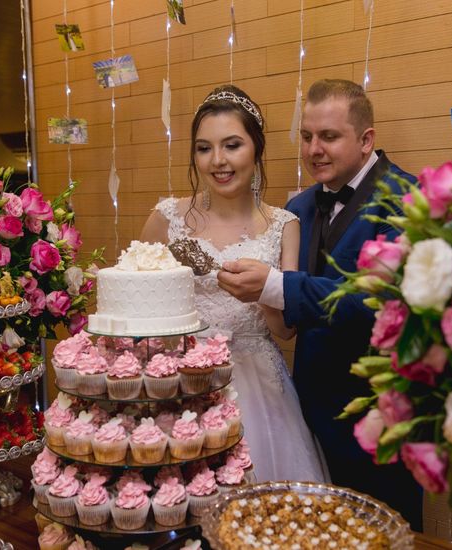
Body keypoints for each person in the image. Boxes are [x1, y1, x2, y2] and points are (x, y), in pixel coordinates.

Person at [217, 79, 423, 528]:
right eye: (307, 136)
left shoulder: (409, 201)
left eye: (329, 136)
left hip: (379, 422)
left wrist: (273, 285)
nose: (314, 149)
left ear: (366, 139)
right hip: (306, 416)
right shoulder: (300, 207)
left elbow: (377, 304)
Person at [140, 84, 327, 483]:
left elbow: (285, 331)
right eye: (204, 148)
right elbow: (136, 307)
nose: (218, 161)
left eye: (232, 145)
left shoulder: (284, 225)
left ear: (256, 150)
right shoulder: (166, 217)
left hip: (256, 385)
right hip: (180, 381)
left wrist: (262, 291)